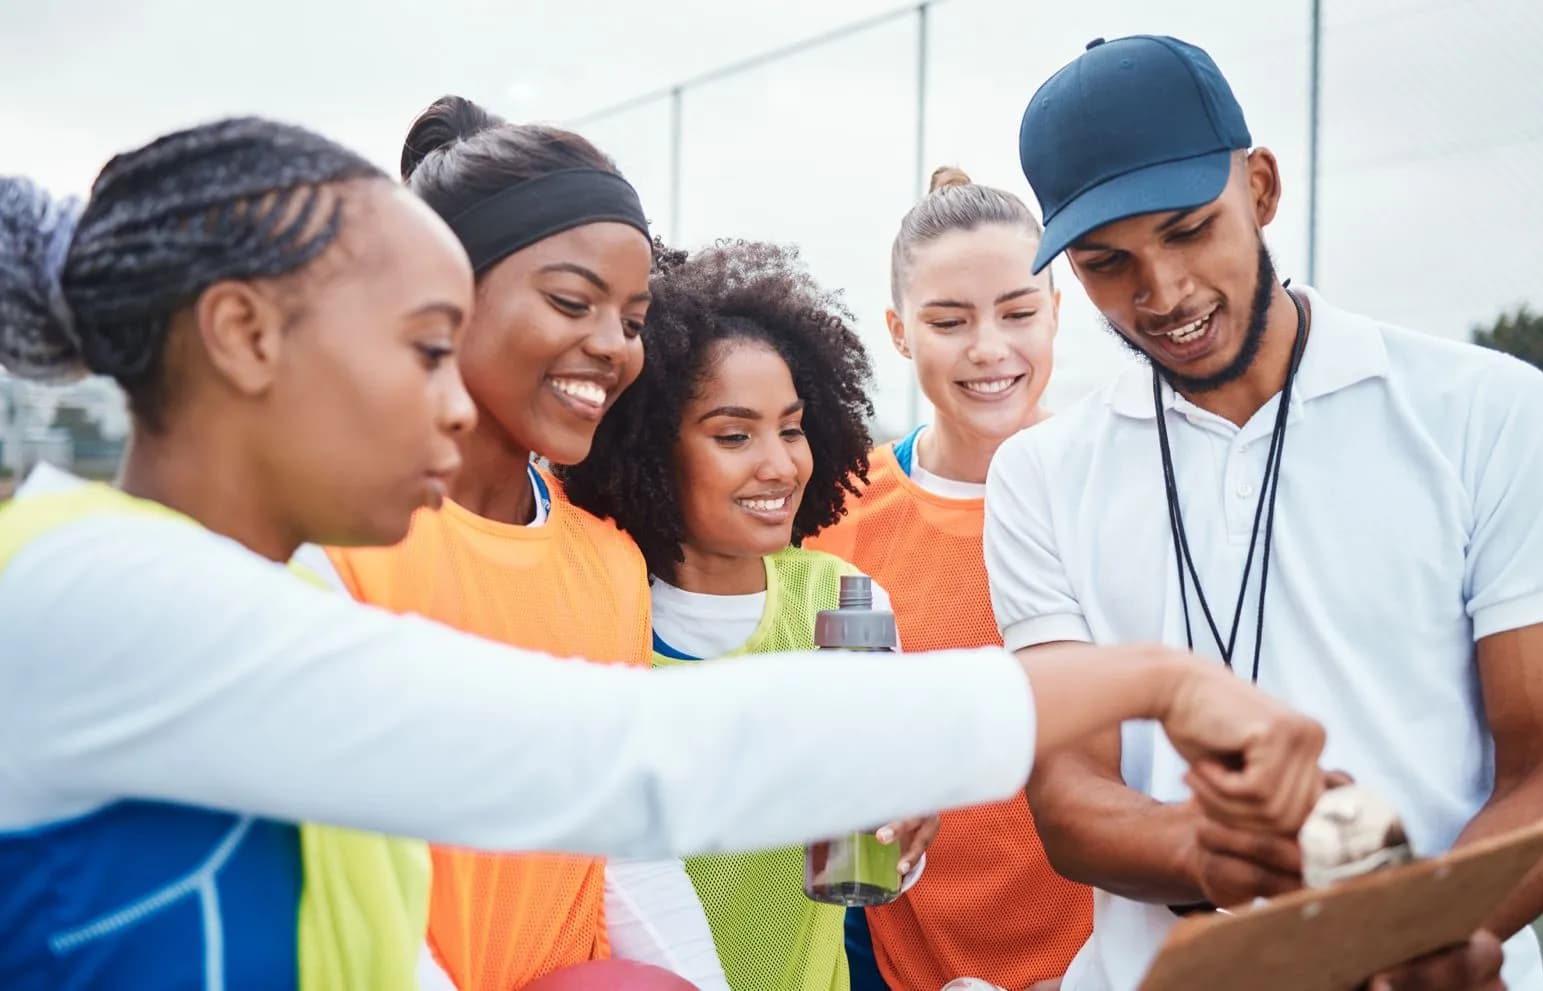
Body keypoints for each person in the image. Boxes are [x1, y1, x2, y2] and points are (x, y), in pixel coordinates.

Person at [0, 116, 1325, 991]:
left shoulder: (201, 591)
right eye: (421, 347)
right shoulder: (97, 593)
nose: (457, 402)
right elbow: (628, 752)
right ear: (243, 333)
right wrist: (1150, 679)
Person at [989, 34, 1543, 991]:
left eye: (1190, 230)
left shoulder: (1487, 410)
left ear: (1261, 188)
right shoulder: (1038, 474)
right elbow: (1070, 798)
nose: (1164, 293)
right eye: (1108, 263)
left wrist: (1411, 940)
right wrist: (1208, 850)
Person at [303, 96, 722, 991]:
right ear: (444, 296)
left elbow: (624, 849)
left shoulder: (609, 569)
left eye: (634, 319)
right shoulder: (329, 547)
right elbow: (331, 878)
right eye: (573, 301)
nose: (612, 346)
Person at [561, 239, 937, 991]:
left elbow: (880, 868)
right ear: (648, 447)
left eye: (791, 427)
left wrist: (906, 827)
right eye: (735, 435)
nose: (779, 463)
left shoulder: (844, 605)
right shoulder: (604, 611)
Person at [809, 166, 1093, 991]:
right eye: (949, 320)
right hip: (899, 965)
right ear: (900, 331)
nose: (989, 348)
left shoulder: (1123, 492)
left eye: (1017, 311)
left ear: (1056, 312)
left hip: (1101, 962)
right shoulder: (839, 516)